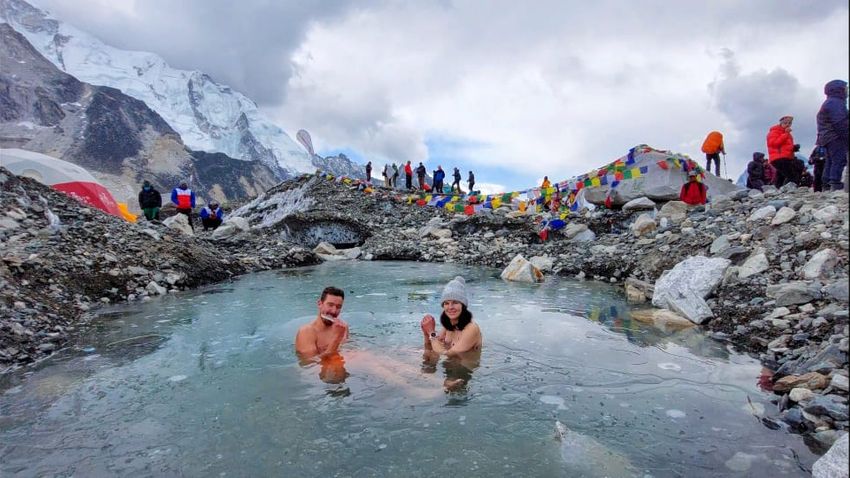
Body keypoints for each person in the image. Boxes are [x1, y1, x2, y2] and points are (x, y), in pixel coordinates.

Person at [419, 276, 482, 390]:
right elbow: (431, 347)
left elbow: (446, 353)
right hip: (448, 366)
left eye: (455, 302)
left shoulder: (471, 328)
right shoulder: (449, 325)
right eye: (446, 303)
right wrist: (426, 332)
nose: (450, 307)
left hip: (462, 372)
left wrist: (431, 332)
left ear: (463, 305)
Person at [295, 286, 350, 383]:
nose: (334, 311)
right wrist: (336, 338)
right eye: (330, 305)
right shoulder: (307, 332)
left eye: (338, 307)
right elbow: (310, 365)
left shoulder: (343, 327)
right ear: (320, 304)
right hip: (320, 375)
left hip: (340, 363)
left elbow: (347, 350)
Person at [816, 79, 849, 191]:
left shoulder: (830, 102)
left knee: (830, 160)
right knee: (839, 159)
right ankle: (835, 184)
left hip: (827, 137)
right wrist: (846, 136)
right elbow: (840, 122)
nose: (847, 90)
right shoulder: (835, 102)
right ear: (839, 90)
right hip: (835, 136)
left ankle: (826, 184)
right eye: (846, 88)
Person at [766, 116, 797, 187]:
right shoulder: (774, 132)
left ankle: (778, 190)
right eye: (785, 123)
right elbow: (774, 143)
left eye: (790, 123)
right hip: (779, 158)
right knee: (791, 175)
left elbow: (784, 146)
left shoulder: (787, 134)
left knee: (781, 176)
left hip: (786, 157)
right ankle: (788, 190)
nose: (788, 124)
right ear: (781, 123)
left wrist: (793, 148)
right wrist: (785, 134)